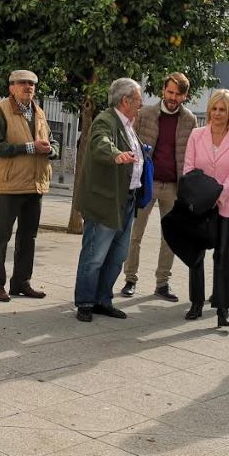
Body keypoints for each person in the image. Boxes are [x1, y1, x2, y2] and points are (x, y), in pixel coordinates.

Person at [120, 73, 197, 302]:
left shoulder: (189, 120)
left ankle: (162, 283)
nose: (173, 97)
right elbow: (131, 142)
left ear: (185, 96)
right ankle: (130, 279)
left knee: (170, 237)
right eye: (170, 92)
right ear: (164, 90)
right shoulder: (145, 114)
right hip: (147, 183)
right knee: (136, 233)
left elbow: (190, 154)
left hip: (174, 187)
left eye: (178, 94)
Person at [73, 78, 145, 322]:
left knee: (117, 256)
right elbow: (99, 142)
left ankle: (103, 300)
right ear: (125, 101)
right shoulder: (106, 119)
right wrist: (116, 155)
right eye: (138, 99)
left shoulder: (128, 124)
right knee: (95, 255)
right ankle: (85, 302)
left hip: (127, 200)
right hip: (106, 201)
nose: (142, 103)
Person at [0, 70, 60, 302]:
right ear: (11, 87)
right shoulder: (0, 110)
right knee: (2, 235)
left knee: (29, 236)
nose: (28, 87)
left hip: (36, 183)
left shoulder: (39, 112)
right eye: (23, 83)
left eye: (32, 84)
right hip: (10, 183)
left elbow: (52, 140)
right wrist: (30, 147)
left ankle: (21, 282)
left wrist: (52, 150)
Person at [182, 89, 229, 328]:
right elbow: (189, 169)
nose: (217, 113)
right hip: (198, 206)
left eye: (222, 109)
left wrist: (216, 198)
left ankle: (222, 309)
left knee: (222, 256)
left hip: (225, 207)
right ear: (209, 110)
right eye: (214, 108)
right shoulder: (196, 135)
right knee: (196, 255)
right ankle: (196, 303)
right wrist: (202, 198)